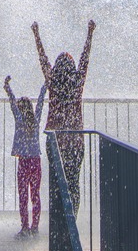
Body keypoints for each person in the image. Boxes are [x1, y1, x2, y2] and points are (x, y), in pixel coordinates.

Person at [31, 18, 96, 215]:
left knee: (57, 183)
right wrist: (90, 34)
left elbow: (43, 60)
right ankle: (72, 220)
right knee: (73, 182)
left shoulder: (53, 85)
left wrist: (36, 35)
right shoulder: (76, 86)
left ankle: (58, 220)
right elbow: (85, 59)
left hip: (56, 143)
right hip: (75, 143)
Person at [3, 74, 46, 237]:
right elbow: (41, 104)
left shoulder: (19, 120)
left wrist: (7, 88)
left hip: (24, 162)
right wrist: (44, 87)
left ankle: (25, 227)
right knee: (35, 195)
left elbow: (13, 104)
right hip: (35, 161)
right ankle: (34, 226)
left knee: (23, 195)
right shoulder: (35, 120)